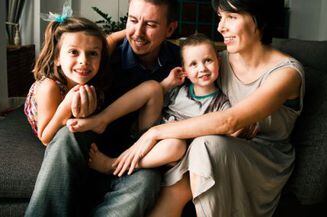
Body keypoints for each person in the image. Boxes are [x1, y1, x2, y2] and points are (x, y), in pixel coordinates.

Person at [111, 0, 305, 217]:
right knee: (180, 185)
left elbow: (230, 120)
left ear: (260, 20)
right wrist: (111, 39)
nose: (220, 27)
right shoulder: (216, 61)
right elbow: (169, 44)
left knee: (205, 145)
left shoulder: (286, 73)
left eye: (231, 17)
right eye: (220, 17)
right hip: (221, 143)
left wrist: (155, 132)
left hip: (263, 159)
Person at [25, 0, 180, 217]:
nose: (137, 33)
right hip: (92, 143)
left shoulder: (183, 62)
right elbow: (92, 43)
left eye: (150, 24)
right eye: (133, 20)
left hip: (132, 152)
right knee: (68, 133)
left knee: (148, 180)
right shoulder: (104, 55)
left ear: (170, 29)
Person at [68, 33, 232, 176]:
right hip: (146, 137)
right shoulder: (180, 90)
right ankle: (101, 120)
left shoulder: (221, 103)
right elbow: (154, 98)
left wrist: (245, 129)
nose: (202, 68)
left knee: (176, 145)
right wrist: (168, 82)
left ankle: (114, 165)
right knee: (152, 87)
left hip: (171, 153)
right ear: (185, 71)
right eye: (194, 64)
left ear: (218, 61)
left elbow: (230, 126)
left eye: (208, 60)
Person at [23, 12, 110, 146]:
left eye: (93, 53)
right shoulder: (49, 87)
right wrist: (66, 106)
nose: (84, 61)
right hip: (49, 124)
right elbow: (45, 139)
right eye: (74, 52)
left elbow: (112, 40)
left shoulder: (92, 80)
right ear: (57, 57)